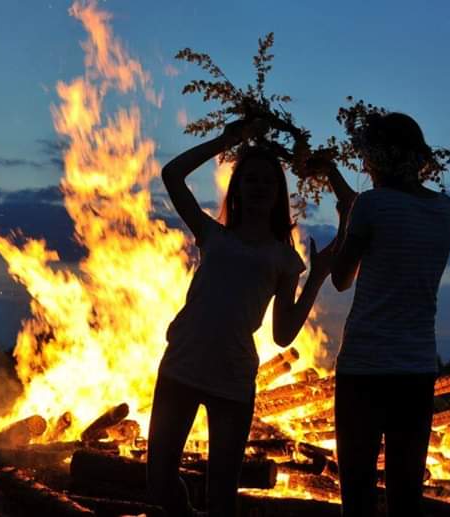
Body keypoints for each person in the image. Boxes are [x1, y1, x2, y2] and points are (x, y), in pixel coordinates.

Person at [148, 119, 333, 517]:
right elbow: (172, 174)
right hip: (181, 366)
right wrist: (226, 140)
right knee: (159, 479)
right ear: (238, 188)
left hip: (232, 381)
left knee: (221, 495)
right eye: (250, 180)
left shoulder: (285, 259)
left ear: (278, 193)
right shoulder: (213, 234)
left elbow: (283, 335)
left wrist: (316, 277)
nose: (259, 187)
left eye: (268, 181)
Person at [329, 112, 450, 517]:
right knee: (405, 493)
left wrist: (344, 221)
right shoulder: (444, 209)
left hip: (363, 367)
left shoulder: (370, 205)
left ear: (378, 158)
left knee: (358, 490)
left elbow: (340, 278)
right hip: (416, 368)